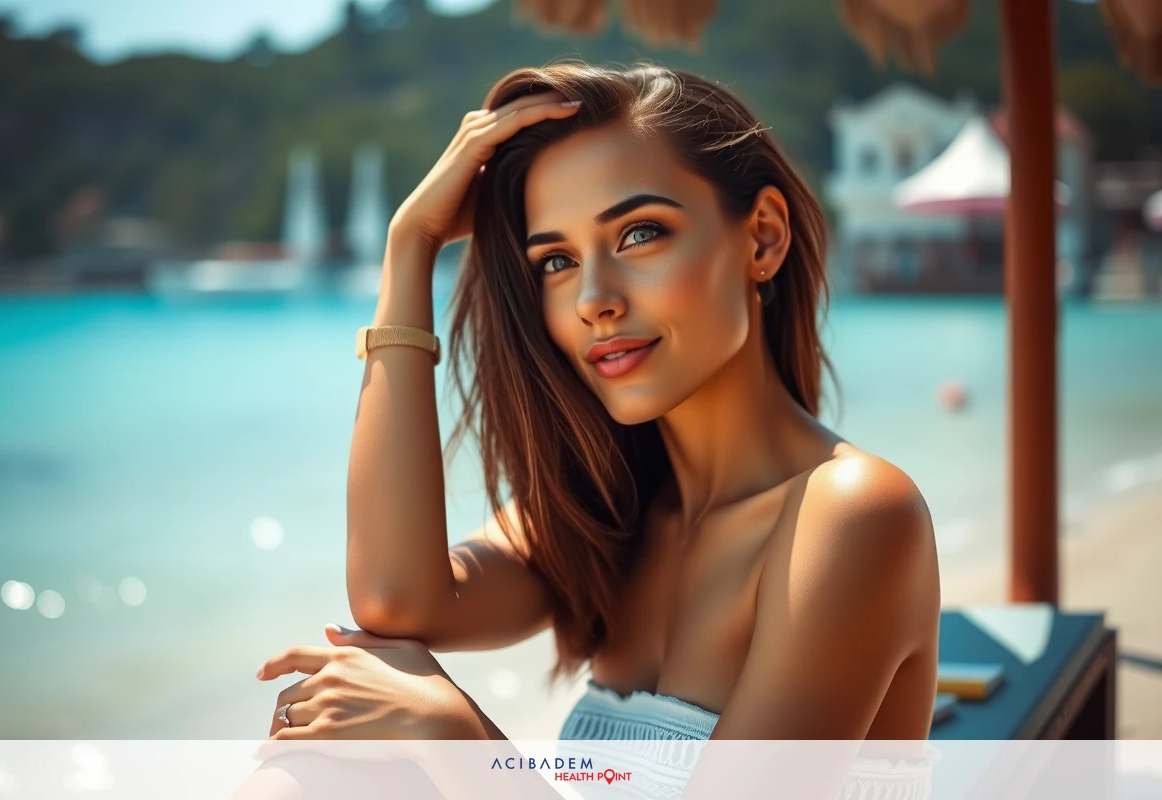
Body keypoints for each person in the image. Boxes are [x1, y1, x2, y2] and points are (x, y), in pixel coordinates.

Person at [251, 59, 941, 751]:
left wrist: (456, 734)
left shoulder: (853, 515)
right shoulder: (613, 513)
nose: (593, 301)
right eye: (557, 261)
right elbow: (395, 602)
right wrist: (410, 247)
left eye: (638, 234)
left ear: (761, 235)